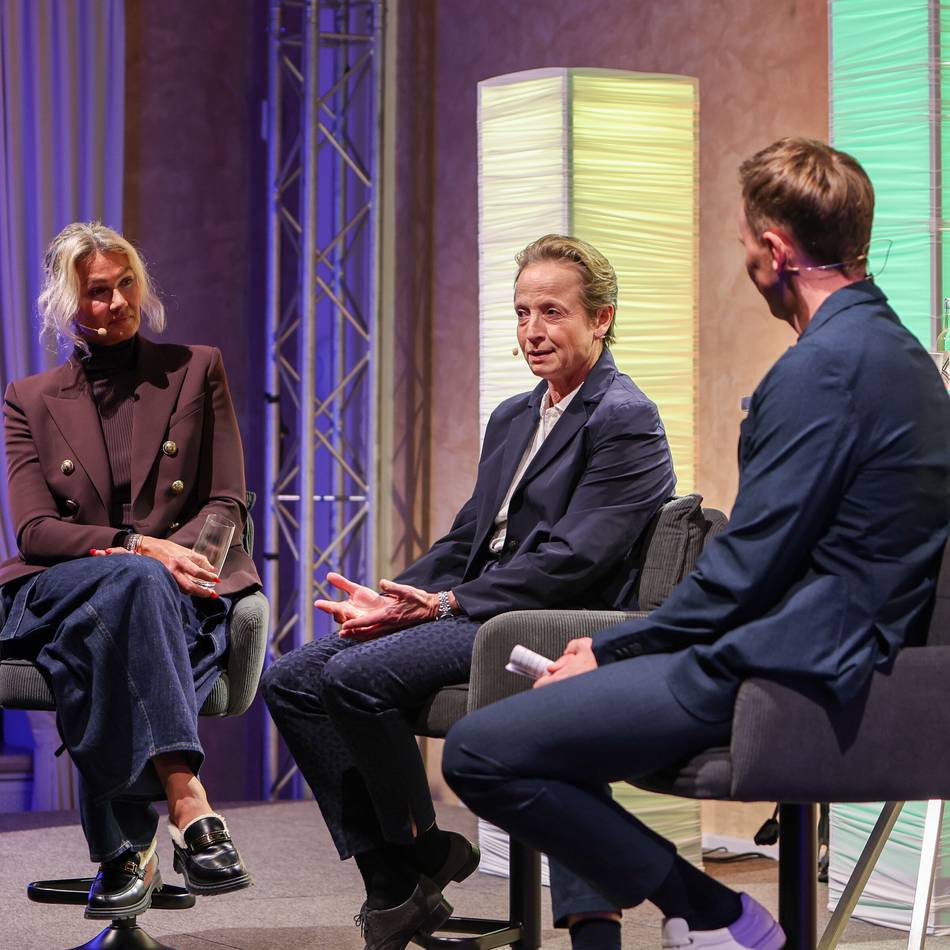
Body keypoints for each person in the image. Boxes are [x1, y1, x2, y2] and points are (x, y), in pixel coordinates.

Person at [443, 137, 950, 950]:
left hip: (792, 659)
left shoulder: (823, 367)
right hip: (828, 639)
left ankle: (717, 914)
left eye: (747, 240)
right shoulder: (896, 351)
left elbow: (745, 572)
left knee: (478, 750)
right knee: (555, 723)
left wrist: (610, 653)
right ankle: (657, 927)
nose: (745, 257)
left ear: (777, 250)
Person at [262, 234, 677, 950]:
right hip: (483, 608)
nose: (532, 331)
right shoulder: (514, 415)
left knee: (355, 677)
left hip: (546, 621)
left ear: (601, 318)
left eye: (551, 312)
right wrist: (399, 598)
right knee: (293, 676)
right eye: (521, 313)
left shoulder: (624, 419)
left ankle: (419, 848)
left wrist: (448, 604)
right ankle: (402, 876)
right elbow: (467, 541)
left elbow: (572, 562)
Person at [0, 222, 261, 920]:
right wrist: (141, 546)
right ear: (66, 303)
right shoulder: (29, 397)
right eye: (95, 292)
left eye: (124, 286)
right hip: (60, 585)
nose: (113, 304)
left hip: (169, 592)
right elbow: (35, 531)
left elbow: (228, 496)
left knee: (112, 625)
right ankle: (188, 799)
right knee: (131, 582)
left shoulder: (195, 367)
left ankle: (125, 852)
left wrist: (196, 561)